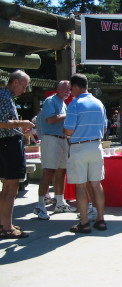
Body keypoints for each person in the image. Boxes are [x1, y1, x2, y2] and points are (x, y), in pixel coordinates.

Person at [63, 73, 108, 233]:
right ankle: (101, 219)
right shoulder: (99, 103)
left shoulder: (74, 104)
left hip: (79, 147)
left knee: (80, 186)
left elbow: (68, 130)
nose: (71, 92)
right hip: (96, 146)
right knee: (96, 184)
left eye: (71, 89)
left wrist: (66, 130)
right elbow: (104, 128)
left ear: (75, 87)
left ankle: (83, 222)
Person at [34, 80, 76, 220]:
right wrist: (68, 114)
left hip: (63, 139)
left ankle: (60, 202)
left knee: (62, 171)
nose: (67, 91)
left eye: (69, 89)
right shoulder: (50, 101)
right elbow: (50, 120)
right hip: (51, 139)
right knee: (48, 171)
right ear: (57, 89)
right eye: (64, 88)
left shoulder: (63, 103)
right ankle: (40, 205)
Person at [0, 70, 34, 239]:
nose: (24, 89)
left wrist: (19, 127)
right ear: (15, 82)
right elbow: (1, 123)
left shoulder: (5, 96)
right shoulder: (5, 97)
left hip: (6, 144)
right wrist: (23, 123)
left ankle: (4, 223)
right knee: (11, 187)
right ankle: (6, 227)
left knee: (7, 186)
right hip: (9, 145)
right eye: (23, 85)